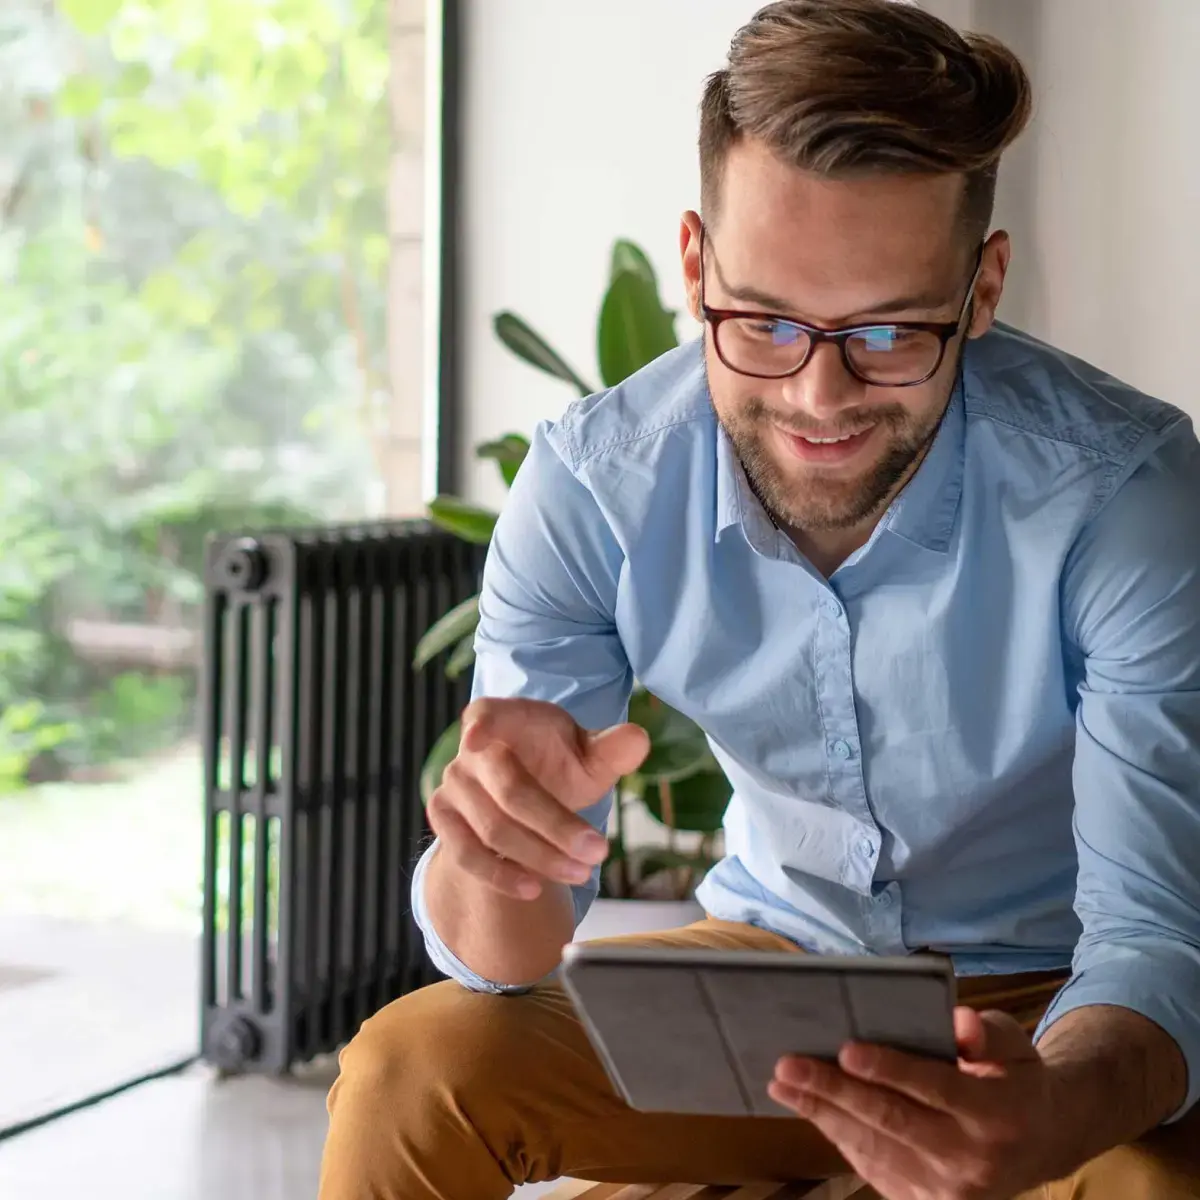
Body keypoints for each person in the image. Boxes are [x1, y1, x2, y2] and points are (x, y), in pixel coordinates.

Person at [318, 2, 1200, 1197]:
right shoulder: (596, 485)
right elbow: (505, 957)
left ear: (981, 289)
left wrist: (1055, 1111)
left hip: (1058, 994)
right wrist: (499, 864)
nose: (819, 396)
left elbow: (1156, 939)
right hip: (766, 979)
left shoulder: (1123, 495)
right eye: (765, 321)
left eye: (890, 329)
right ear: (694, 267)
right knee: (408, 1072)